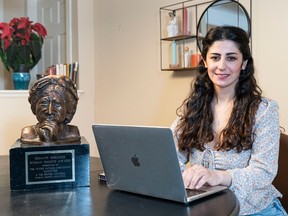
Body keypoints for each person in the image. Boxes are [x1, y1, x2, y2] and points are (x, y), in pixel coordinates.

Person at [171, 26, 287, 215]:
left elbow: (263, 172)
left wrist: (217, 176)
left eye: (231, 58)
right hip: (207, 209)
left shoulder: (264, 110)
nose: (221, 65)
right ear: (205, 62)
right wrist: (184, 175)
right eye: (215, 57)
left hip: (256, 210)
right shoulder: (192, 107)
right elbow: (171, 156)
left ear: (244, 63)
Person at [20, 75, 81, 144]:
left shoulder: (73, 133)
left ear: (67, 109)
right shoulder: (28, 134)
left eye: (57, 104)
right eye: (44, 103)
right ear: (34, 107)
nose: (49, 111)